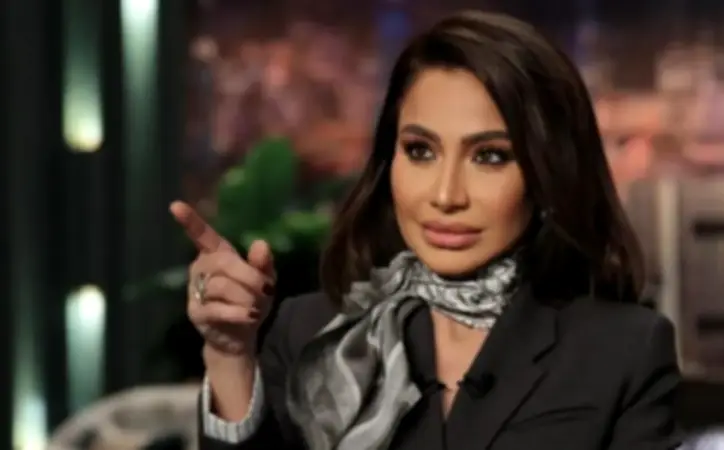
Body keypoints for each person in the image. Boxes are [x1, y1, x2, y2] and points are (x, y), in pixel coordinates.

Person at [171, 10, 682, 450]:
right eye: (420, 151)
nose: (445, 195)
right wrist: (229, 357)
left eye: (490, 156)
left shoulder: (624, 350)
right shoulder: (309, 333)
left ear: (548, 173)